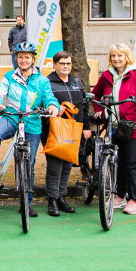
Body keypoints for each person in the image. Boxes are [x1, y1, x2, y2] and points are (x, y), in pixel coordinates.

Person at [0, 42, 59, 216]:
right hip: (11, 117)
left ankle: (27, 203)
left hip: (32, 122)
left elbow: (49, 98)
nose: (23, 60)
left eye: (27, 57)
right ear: (16, 58)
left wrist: (53, 106)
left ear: (33, 59)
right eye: (20, 57)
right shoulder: (10, 76)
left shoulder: (42, 80)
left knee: (28, 163)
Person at [92, 43, 136, 216]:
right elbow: (95, 94)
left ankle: (135, 199)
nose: (116, 59)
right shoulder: (107, 76)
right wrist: (98, 111)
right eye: (113, 56)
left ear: (127, 57)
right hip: (113, 125)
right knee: (118, 162)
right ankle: (119, 195)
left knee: (132, 163)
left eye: (120, 55)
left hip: (134, 126)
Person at [41, 51, 91, 216]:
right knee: (55, 166)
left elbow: (83, 106)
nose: (65, 67)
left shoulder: (76, 82)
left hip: (73, 129)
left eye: (68, 64)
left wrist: (86, 127)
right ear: (54, 65)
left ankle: (62, 198)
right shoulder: (47, 82)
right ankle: (52, 200)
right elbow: (42, 105)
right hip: (54, 130)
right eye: (62, 63)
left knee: (67, 165)